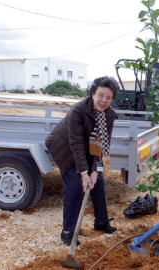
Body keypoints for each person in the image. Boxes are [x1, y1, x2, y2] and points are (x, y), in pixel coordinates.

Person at [45, 76, 119, 246]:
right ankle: (68, 232)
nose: (104, 101)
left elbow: (102, 144)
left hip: (87, 148)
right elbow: (76, 144)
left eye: (108, 97)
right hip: (65, 147)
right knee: (75, 186)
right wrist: (84, 173)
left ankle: (101, 222)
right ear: (93, 93)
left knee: (97, 181)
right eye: (100, 95)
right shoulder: (77, 111)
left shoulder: (109, 115)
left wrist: (94, 171)